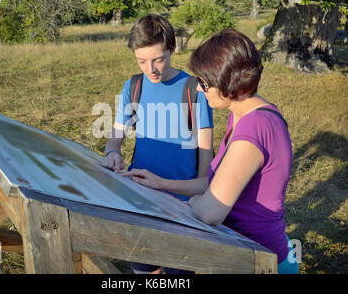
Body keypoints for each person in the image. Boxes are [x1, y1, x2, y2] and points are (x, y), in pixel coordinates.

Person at [123, 29, 299, 274]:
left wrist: (196, 203)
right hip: (243, 253)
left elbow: (210, 212)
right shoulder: (245, 115)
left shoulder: (253, 129)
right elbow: (213, 184)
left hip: (258, 260)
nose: (199, 89)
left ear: (226, 81)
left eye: (204, 82)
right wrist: (161, 183)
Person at [101, 14, 214, 274]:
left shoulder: (193, 90)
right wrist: (112, 151)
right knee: (143, 268)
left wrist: (196, 201)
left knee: (178, 273)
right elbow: (116, 138)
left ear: (173, 49)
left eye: (158, 60)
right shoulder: (134, 86)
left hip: (181, 207)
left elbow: (205, 161)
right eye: (141, 61)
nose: (150, 69)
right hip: (142, 200)